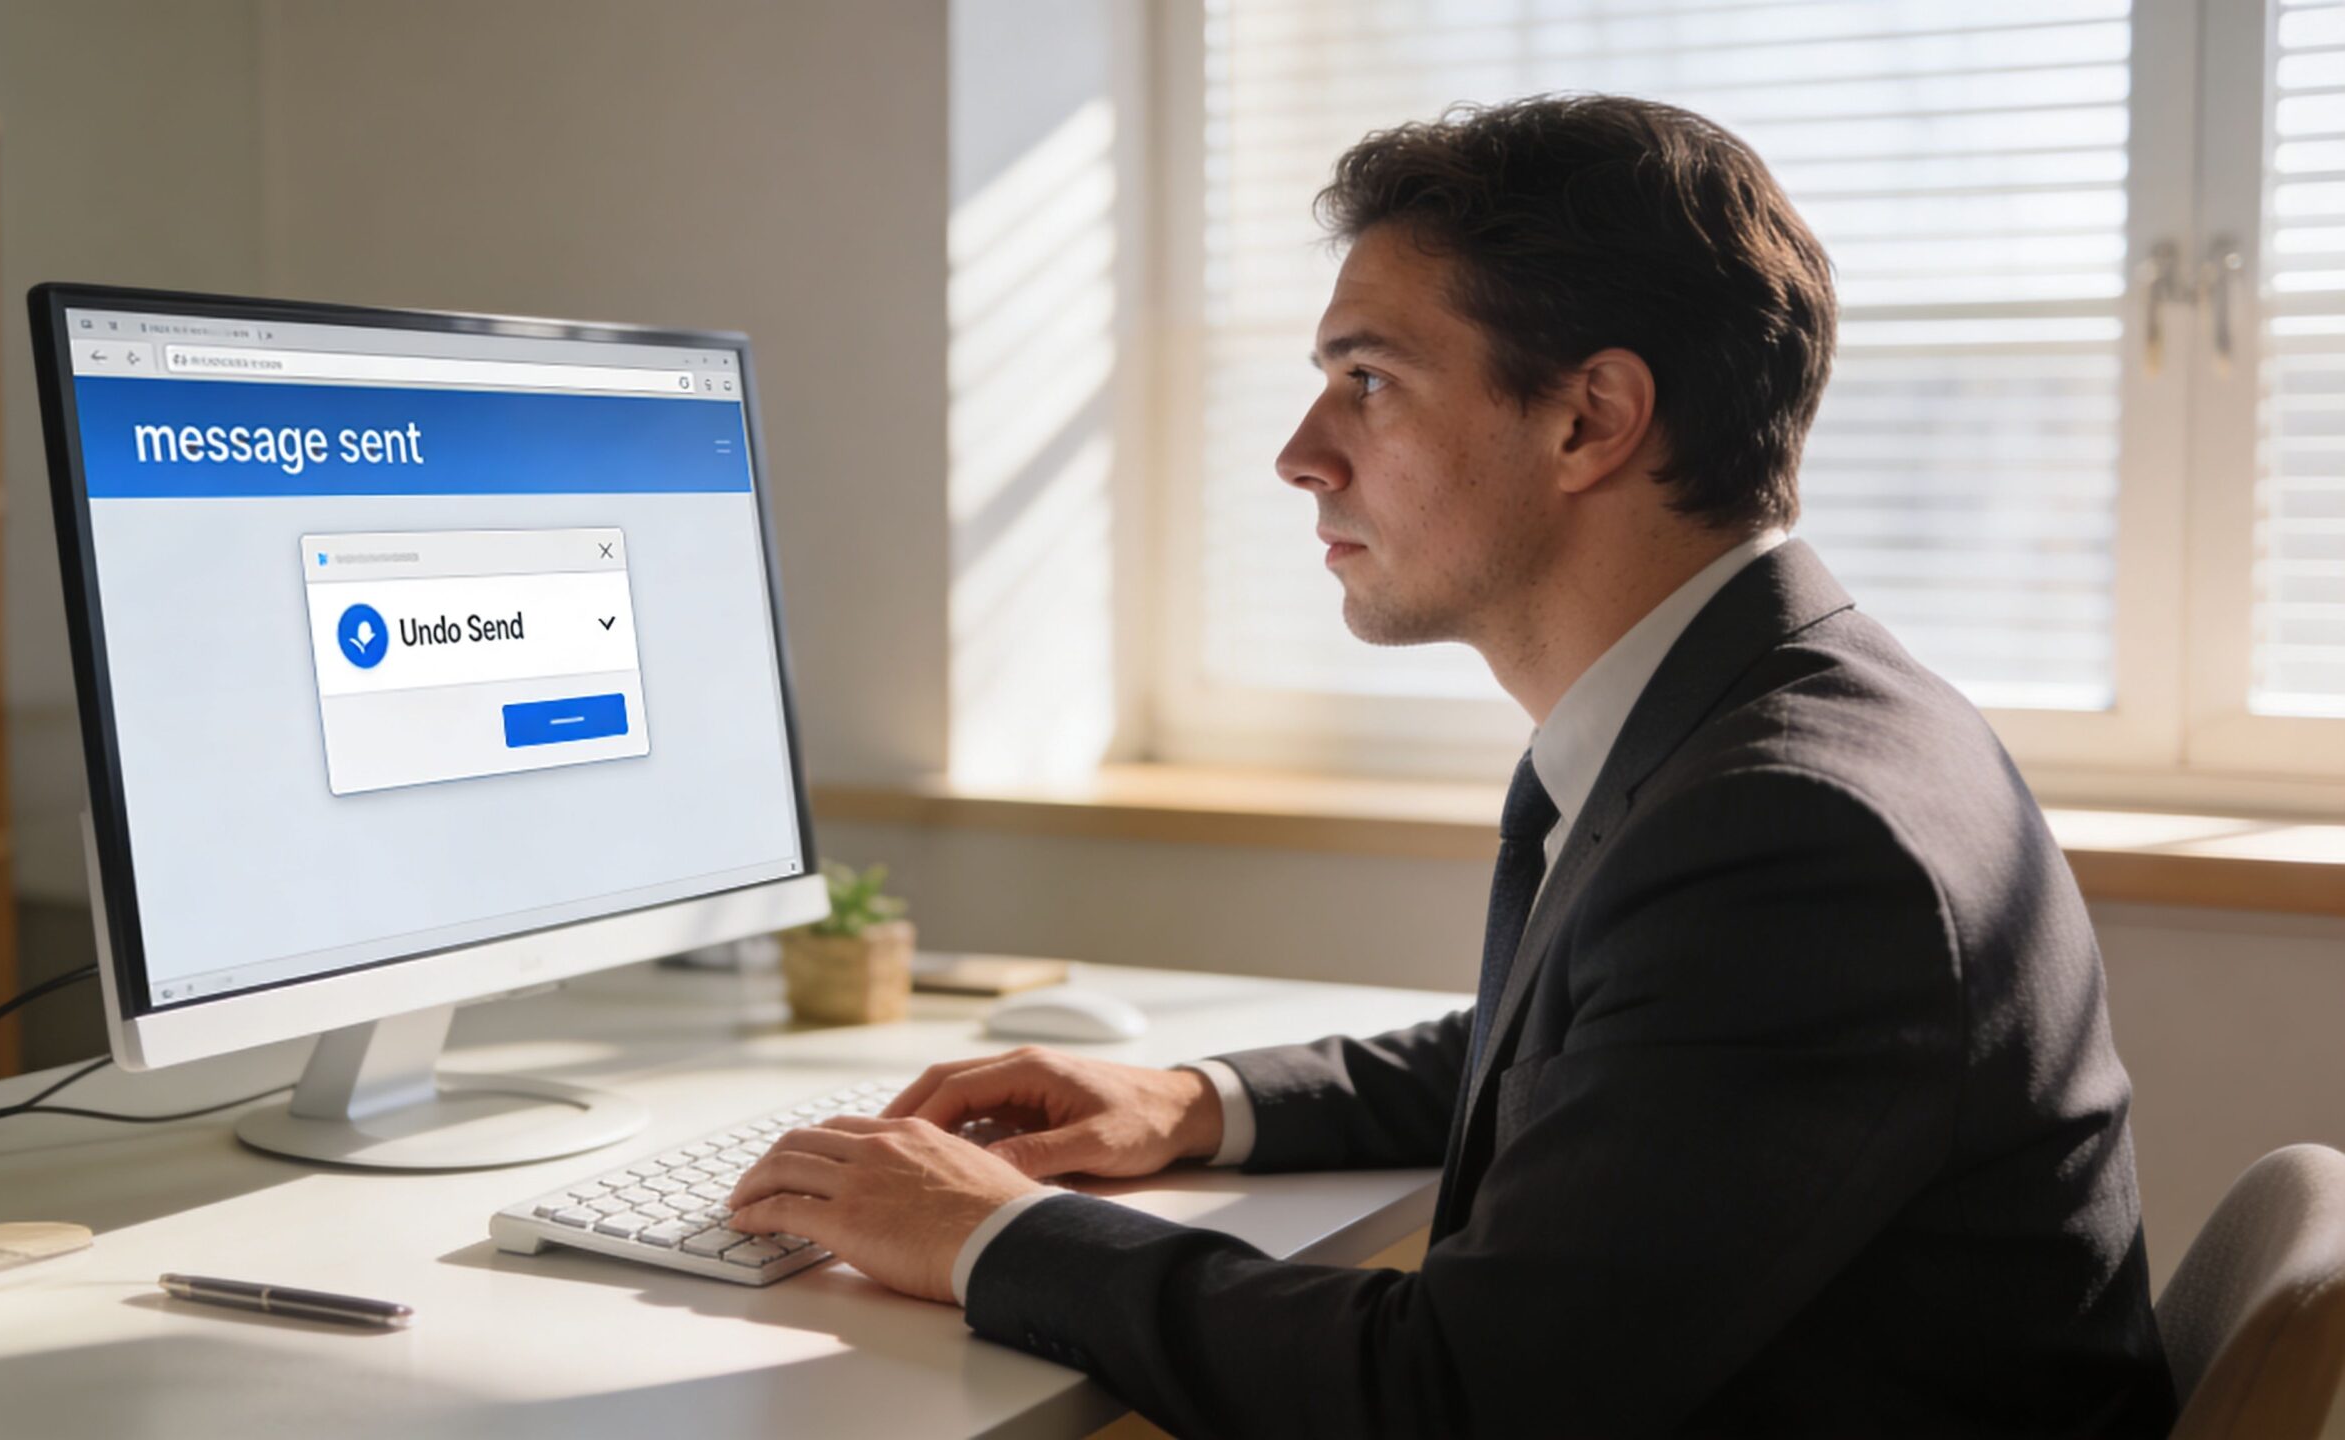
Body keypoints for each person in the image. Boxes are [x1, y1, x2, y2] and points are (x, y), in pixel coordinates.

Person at [728, 94, 2177, 1437]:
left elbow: (1457, 1400)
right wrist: (1192, 1101)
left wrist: (985, 1235)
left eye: (1369, 380)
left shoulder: (1793, 829)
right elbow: (1586, 1060)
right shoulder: (1762, 717)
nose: (1302, 454)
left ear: (1588, 419)